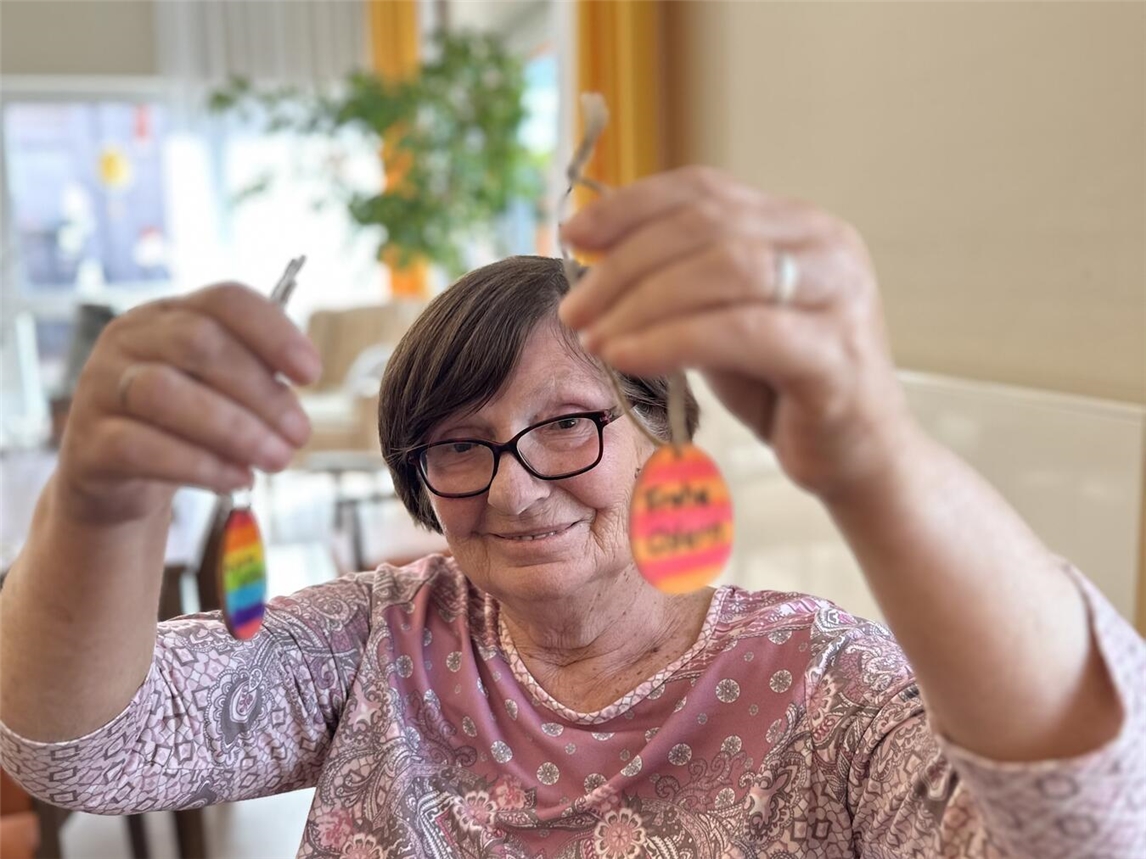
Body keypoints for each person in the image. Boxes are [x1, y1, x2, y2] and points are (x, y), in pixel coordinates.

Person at [1, 168, 1142, 858]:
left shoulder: (824, 688)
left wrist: (877, 456)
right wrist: (99, 504)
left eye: (566, 424)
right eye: (460, 444)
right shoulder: (378, 642)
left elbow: (1095, 823)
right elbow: (85, 753)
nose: (512, 485)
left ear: (659, 430)